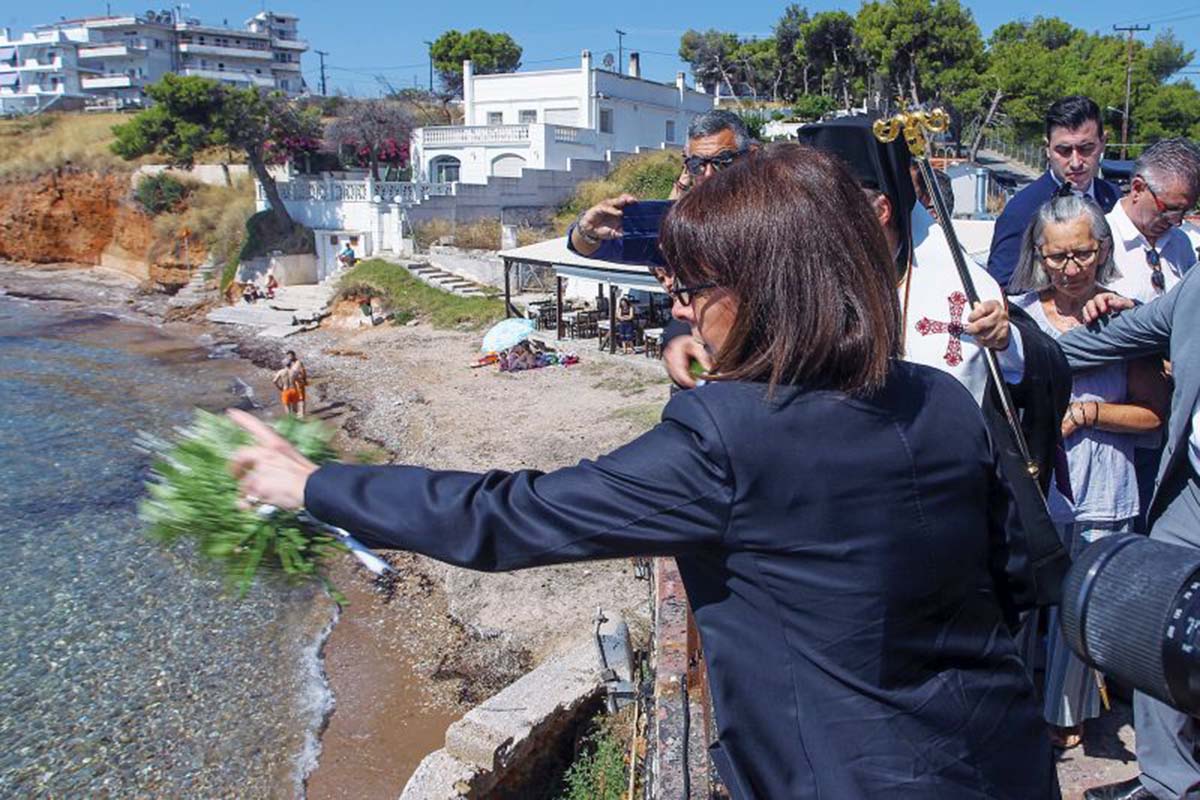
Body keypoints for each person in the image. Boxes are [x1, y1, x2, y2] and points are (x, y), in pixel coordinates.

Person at [228, 143, 1056, 799]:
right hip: (1001, 757)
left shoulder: (728, 438)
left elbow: (509, 516)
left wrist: (313, 484)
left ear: (769, 288)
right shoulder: (941, 398)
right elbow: (1014, 575)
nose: (681, 306)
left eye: (692, 287)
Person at [1008, 195, 1168, 750]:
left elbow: (1153, 415)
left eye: (1083, 253)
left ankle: (1066, 714)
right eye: (1057, 257)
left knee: (1084, 610)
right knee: (1023, 604)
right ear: (1038, 255)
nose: (1071, 269)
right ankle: (1012, 703)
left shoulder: (1126, 316)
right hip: (1033, 488)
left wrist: (1089, 412)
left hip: (1103, 487)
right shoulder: (1018, 312)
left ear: (1102, 250)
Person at [1055, 265, 1200, 800]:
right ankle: (1169, 784)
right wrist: (1013, 346)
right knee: (1159, 627)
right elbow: (1119, 337)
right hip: (1193, 494)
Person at [566, 109, 753, 262]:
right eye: (697, 165)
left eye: (724, 161)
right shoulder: (685, 225)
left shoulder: (775, 213)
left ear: (750, 157)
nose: (709, 174)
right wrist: (586, 231)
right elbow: (593, 249)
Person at [988, 96, 1122, 289]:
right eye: (1064, 150)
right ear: (1047, 148)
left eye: (1086, 148)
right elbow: (1001, 287)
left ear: (1103, 142)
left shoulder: (1115, 199)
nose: (1076, 162)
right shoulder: (1022, 211)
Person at [1104, 138, 1200, 304]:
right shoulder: (1097, 239)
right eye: (1169, 209)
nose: (1176, 221)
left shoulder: (1181, 242)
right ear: (1138, 189)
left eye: (1184, 212)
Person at [287, 350, 308, 418]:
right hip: (293, 383)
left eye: (290, 356)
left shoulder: (298, 362)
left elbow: (303, 371)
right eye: (288, 356)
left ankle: (302, 413)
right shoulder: (289, 363)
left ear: (294, 355)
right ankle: (298, 412)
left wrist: (304, 380)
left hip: (299, 382)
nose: (289, 357)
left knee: (301, 398)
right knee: (295, 398)